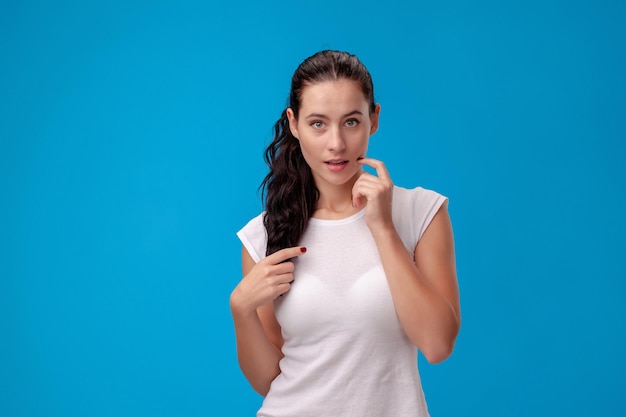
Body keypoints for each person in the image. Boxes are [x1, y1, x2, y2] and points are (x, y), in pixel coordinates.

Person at [229, 50, 461, 417]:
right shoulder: (265, 233)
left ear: (374, 119)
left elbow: (437, 344)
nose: (336, 143)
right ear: (293, 123)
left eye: (351, 122)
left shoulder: (421, 212)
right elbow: (270, 380)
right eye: (318, 124)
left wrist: (383, 229)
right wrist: (241, 311)